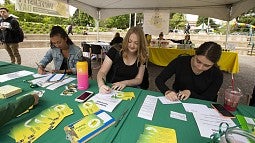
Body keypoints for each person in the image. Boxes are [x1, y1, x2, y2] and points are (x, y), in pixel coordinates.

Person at [155, 41, 223, 102]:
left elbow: (208, 98)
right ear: (195, 54)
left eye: (207, 66)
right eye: (198, 61)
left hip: (201, 105)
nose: (200, 67)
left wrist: (190, 93)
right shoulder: (180, 62)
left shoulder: (217, 74)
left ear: (214, 64)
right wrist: (167, 91)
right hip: (177, 100)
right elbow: (159, 79)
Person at [97, 26, 148, 94]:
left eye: (136, 43)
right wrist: (101, 85)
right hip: (111, 88)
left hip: (130, 90)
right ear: (126, 40)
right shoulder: (114, 51)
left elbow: (139, 79)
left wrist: (124, 83)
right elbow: (102, 72)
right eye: (129, 41)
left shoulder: (142, 55)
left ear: (141, 44)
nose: (132, 45)